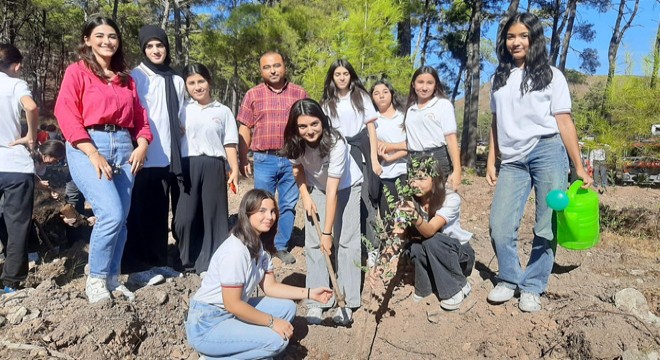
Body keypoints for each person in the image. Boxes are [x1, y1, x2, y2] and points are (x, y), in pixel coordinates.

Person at [486, 12, 593, 312]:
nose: (516, 41)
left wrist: (579, 167)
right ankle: (508, 278)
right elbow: (496, 121)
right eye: (510, 36)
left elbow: (565, 122)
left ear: (533, 39)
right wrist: (491, 159)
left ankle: (533, 284)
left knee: (546, 223)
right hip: (513, 160)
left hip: (548, 152)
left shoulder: (551, 75)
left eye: (522, 35)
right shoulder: (498, 78)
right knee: (500, 224)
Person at [54, 17, 152, 304]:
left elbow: (140, 119)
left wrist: (143, 143)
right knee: (109, 213)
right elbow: (67, 113)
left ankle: (112, 278)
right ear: (87, 40)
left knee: (121, 219)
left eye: (112, 36)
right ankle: (95, 278)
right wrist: (92, 152)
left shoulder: (126, 78)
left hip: (124, 146)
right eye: (100, 35)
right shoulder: (77, 72)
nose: (107, 41)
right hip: (89, 145)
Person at [185, 189, 332, 359]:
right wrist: (271, 322)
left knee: (288, 308)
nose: (269, 217)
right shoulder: (235, 251)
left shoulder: (259, 246)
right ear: (246, 213)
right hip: (208, 323)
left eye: (272, 211)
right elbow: (233, 304)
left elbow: (271, 287)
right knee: (276, 342)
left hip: (231, 313)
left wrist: (310, 293)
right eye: (262, 211)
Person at [281, 98, 363, 326]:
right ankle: (318, 300)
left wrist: (328, 234)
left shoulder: (336, 142)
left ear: (323, 121)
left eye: (314, 124)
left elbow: (333, 191)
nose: (309, 131)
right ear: (296, 127)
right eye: (303, 126)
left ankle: (346, 300)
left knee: (346, 241)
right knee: (314, 243)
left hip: (345, 187)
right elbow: (297, 167)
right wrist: (305, 195)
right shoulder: (294, 141)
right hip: (315, 186)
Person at [123, 25, 186, 287]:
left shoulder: (177, 80)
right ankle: (138, 266)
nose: (155, 50)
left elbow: (181, 118)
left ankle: (159, 262)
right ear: (143, 49)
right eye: (149, 46)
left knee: (160, 212)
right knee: (139, 212)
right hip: (142, 155)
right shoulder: (135, 77)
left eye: (159, 45)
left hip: (170, 157)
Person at [237, 51, 308, 265]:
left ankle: (280, 246)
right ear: (261, 71)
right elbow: (245, 127)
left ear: (284, 67)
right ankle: (259, 246)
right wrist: (242, 157)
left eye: (277, 65)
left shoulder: (299, 93)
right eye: (267, 67)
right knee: (261, 205)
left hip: (291, 159)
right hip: (263, 159)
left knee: (287, 204)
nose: (273, 70)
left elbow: (307, 125)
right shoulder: (253, 94)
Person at [174, 63, 239, 275]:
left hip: (214, 164)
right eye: (191, 83)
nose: (197, 86)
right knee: (185, 218)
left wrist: (234, 170)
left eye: (201, 81)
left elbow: (229, 143)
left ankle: (210, 262)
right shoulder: (182, 109)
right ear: (186, 86)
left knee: (213, 216)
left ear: (209, 82)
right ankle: (186, 260)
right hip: (187, 165)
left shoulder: (223, 111)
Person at [392, 155, 474, 310]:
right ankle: (425, 288)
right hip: (433, 256)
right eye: (412, 179)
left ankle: (457, 286)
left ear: (435, 178)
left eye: (422, 179)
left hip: (459, 256)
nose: (415, 184)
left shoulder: (450, 198)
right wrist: (384, 261)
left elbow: (429, 231)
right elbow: (398, 235)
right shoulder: (409, 201)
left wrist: (414, 216)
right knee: (414, 247)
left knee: (431, 240)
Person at [320, 60, 381, 258]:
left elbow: (371, 128)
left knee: (366, 200)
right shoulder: (327, 102)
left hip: (359, 153)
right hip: (337, 154)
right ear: (332, 77)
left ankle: (372, 248)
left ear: (351, 75)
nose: (342, 77)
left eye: (345, 73)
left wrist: (374, 157)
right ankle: (341, 245)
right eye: (337, 74)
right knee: (340, 201)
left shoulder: (361, 96)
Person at [0, 43, 39, 294]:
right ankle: (11, 283)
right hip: (14, 163)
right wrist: (31, 136)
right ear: (15, 65)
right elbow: (32, 107)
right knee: (17, 224)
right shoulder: (15, 84)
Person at [371, 80, 408, 220]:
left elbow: (413, 145)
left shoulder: (404, 116)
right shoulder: (373, 120)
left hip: (405, 172)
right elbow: (376, 146)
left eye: (385, 92)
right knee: (388, 217)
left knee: (405, 217)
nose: (381, 96)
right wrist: (403, 145)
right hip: (384, 175)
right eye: (376, 93)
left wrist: (391, 155)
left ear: (391, 94)